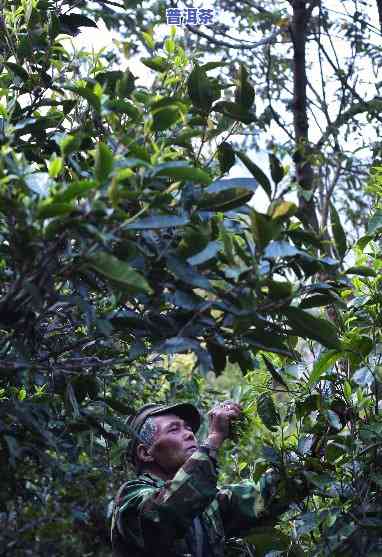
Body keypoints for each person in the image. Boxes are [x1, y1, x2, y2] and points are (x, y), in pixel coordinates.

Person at [110, 401, 290, 557]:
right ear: (145, 453)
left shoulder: (208, 504)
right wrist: (214, 438)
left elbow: (262, 494)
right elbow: (164, 513)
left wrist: (307, 458)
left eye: (188, 428)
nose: (189, 434)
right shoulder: (130, 497)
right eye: (174, 429)